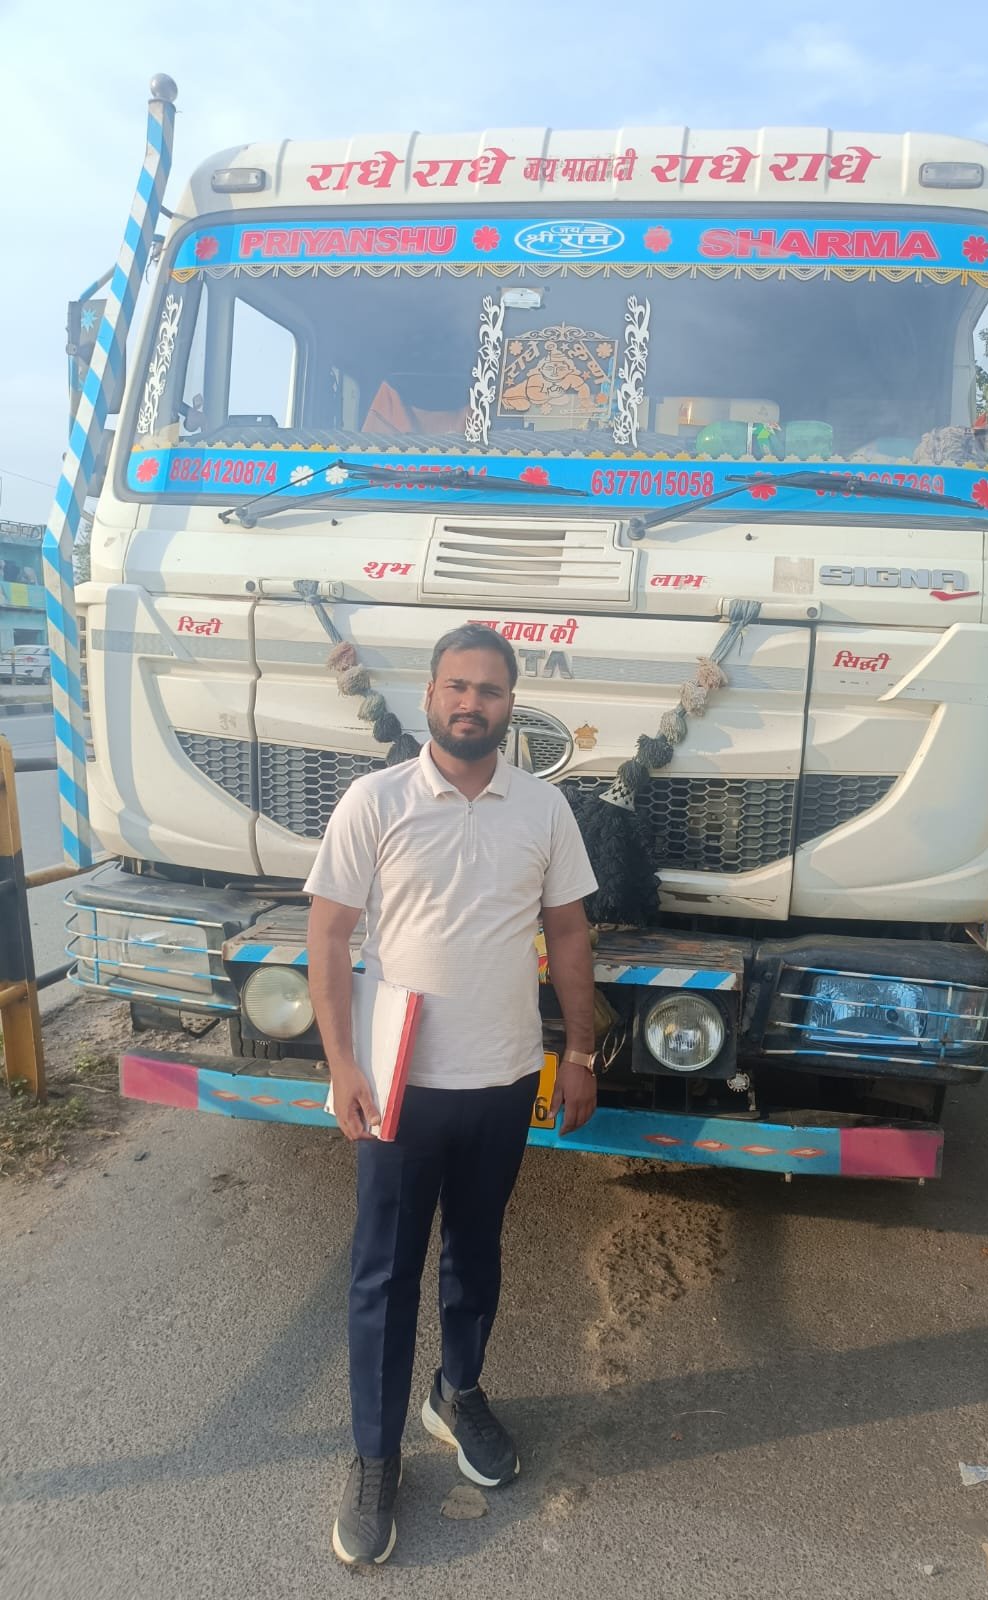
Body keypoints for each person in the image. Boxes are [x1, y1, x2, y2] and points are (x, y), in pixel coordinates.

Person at [306, 622, 599, 1568]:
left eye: (492, 690)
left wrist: (582, 1052)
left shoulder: (545, 809)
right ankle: (375, 1455)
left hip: (506, 1076)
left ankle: (458, 1392)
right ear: (430, 696)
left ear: (513, 705)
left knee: (477, 1252)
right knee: (383, 1275)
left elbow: (569, 936)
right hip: (399, 1083)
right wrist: (343, 1064)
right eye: (458, 687)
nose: (473, 703)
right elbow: (327, 936)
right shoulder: (376, 800)